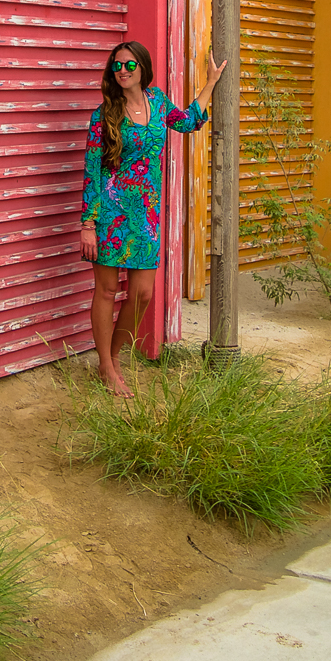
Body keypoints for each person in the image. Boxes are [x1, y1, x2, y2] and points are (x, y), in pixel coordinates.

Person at [80, 40, 227, 397]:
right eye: (117, 66)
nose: (123, 71)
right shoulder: (104, 115)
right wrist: (88, 224)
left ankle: (113, 356)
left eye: (130, 65)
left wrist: (210, 83)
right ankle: (106, 365)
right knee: (107, 290)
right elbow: (92, 172)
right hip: (111, 214)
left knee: (143, 293)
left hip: (147, 216)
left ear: (143, 68)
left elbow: (190, 122)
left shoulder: (158, 102)